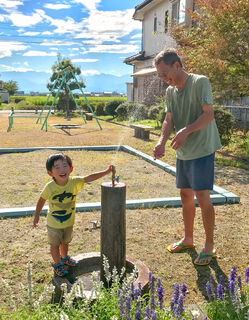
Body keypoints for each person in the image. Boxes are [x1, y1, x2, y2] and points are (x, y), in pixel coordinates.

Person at [153, 47, 221, 266]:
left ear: (177, 65)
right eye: (160, 76)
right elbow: (169, 119)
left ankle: (209, 244)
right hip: (183, 150)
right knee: (185, 195)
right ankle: (188, 239)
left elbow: (208, 114)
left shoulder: (200, 82)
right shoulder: (170, 92)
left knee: (202, 196)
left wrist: (185, 131)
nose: (164, 79)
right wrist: (162, 140)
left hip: (202, 148)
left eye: (165, 73)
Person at [33, 153, 113, 276]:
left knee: (65, 242)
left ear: (71, 169)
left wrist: (106, 171)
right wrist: (37, 216)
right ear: (50, 173)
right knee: (54, 244)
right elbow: (41, 200)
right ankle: (58, 264)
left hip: (69, 222)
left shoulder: (74, 182)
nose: (62, 169)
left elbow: (89, 177)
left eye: (65, 165)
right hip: (54, 224)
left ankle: (64, 258)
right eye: (57, 167)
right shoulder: (50, 187)